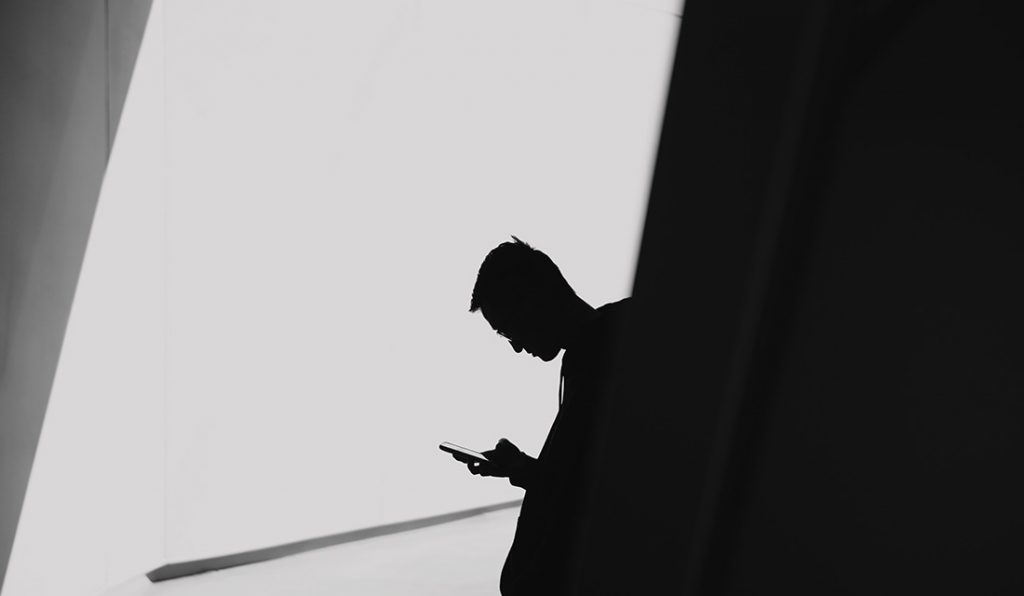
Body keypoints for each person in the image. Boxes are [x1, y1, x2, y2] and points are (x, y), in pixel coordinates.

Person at [450, 236, 631, 595]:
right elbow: (580, 480)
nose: (516, 345)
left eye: (509, 326)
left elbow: (609, 494)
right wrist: (519, 468)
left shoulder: (611, 351)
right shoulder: (584, 356)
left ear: (536, 297)